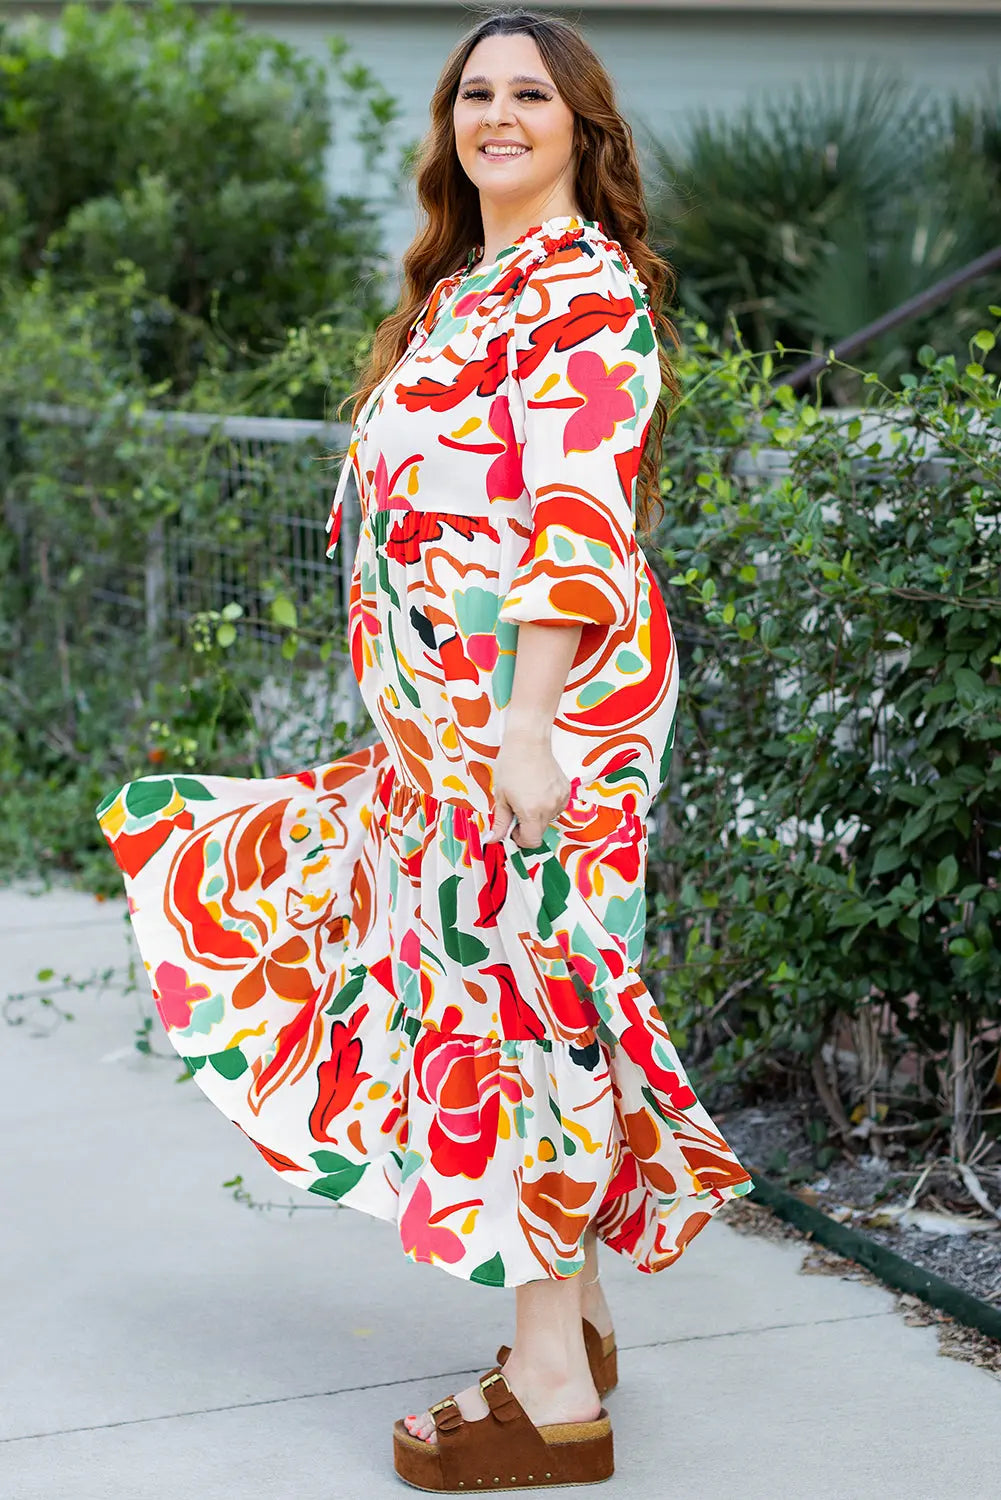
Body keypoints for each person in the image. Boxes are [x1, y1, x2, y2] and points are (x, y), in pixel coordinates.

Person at [96, 6, 754, 1491]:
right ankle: (575, 1327)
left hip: (534, 718)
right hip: (448, 730)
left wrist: (522, 727)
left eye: (531, 94)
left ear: (583, 130)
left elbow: (576, 521)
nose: (497, 114)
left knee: (524, 1016)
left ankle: (551, 1398)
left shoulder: (580, 291)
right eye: (476, 93)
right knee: (518, 995)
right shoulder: (464, 292)